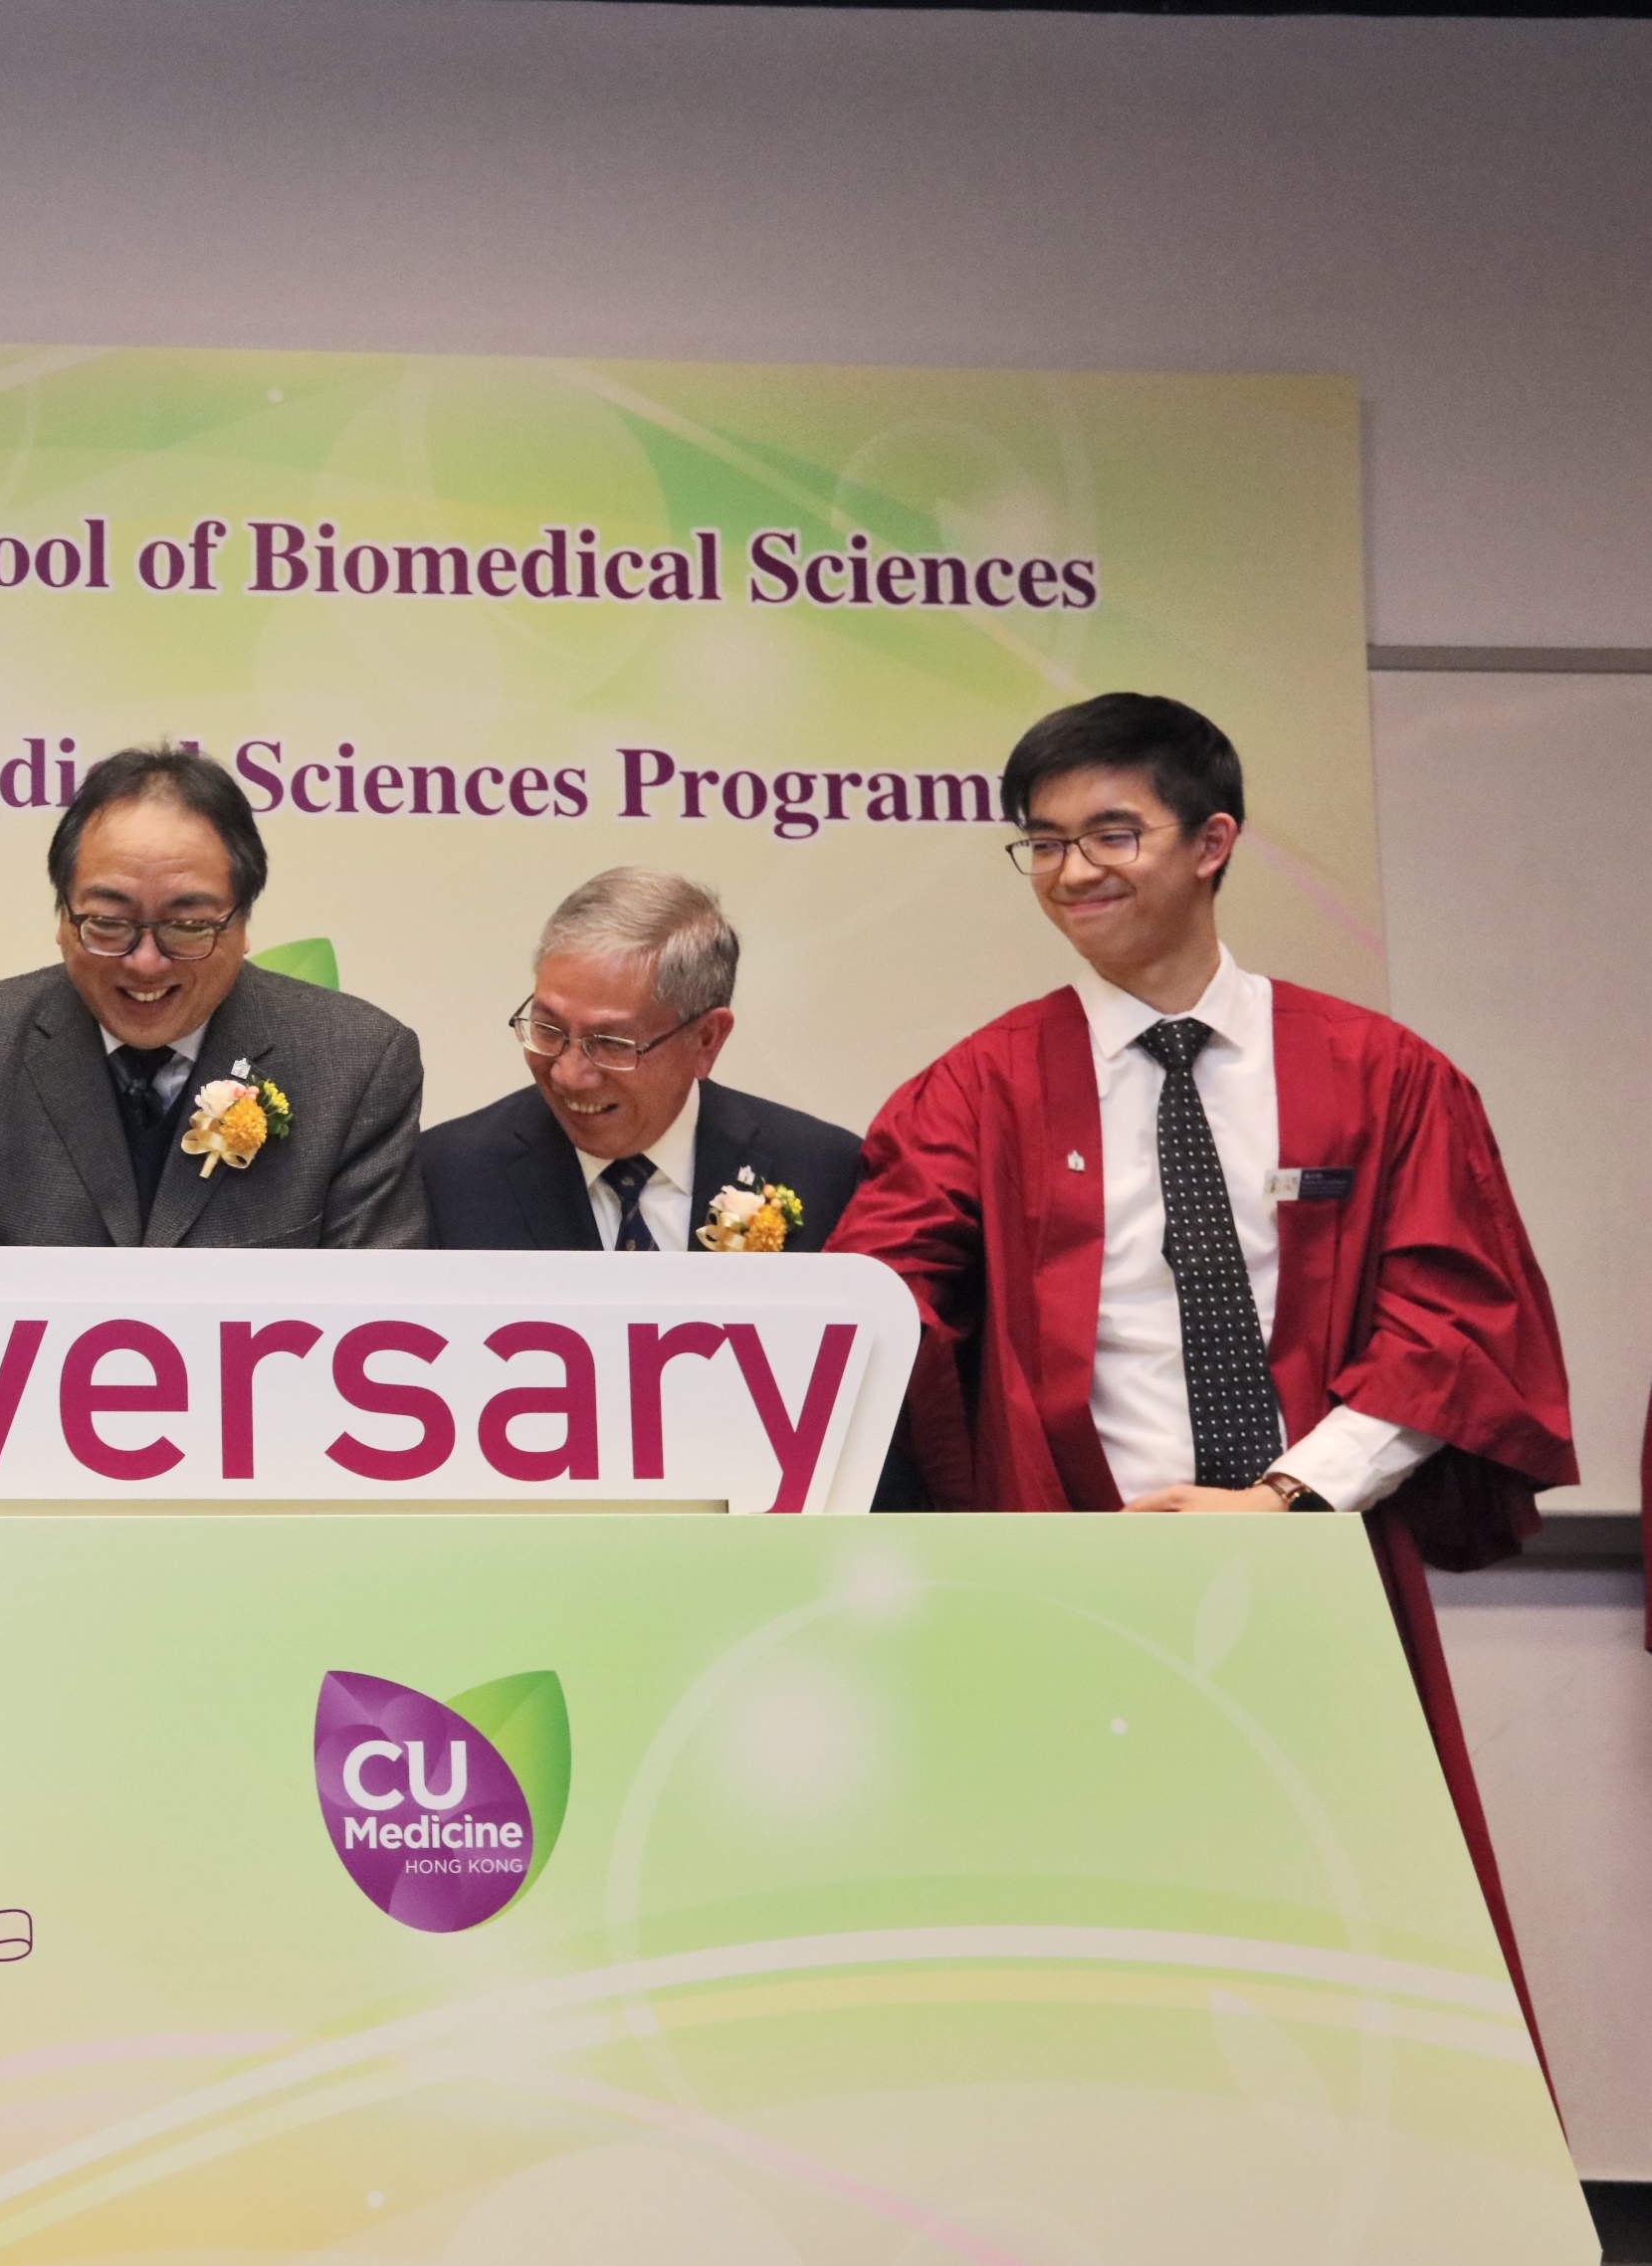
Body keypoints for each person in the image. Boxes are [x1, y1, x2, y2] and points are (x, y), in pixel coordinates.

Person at [830, 692, 1572, 2025]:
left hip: (1310, 1565)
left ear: (1210, 840)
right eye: (1041, 842)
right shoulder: (978, 1088)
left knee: (1338, 1928)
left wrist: (1283, 1500)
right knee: (1079, 1945)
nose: (1070, 872)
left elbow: (1449, 1324)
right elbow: (866, 1304)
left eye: (1109, 832)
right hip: (1069, 1578)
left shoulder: (1377, 1076)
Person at [0, 743, 427, 1248]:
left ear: (243, 927)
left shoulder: (357, 1062)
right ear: (62, 920)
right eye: (108, 922)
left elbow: (373, 1312)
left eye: (188, 925)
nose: (145, 962)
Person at [421, 868, 863, 1254]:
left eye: (610, 1042)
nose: (568, 1074)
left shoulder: (825, 1171)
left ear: (707, 1039)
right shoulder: (447, 1176)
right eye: (549, 1029)